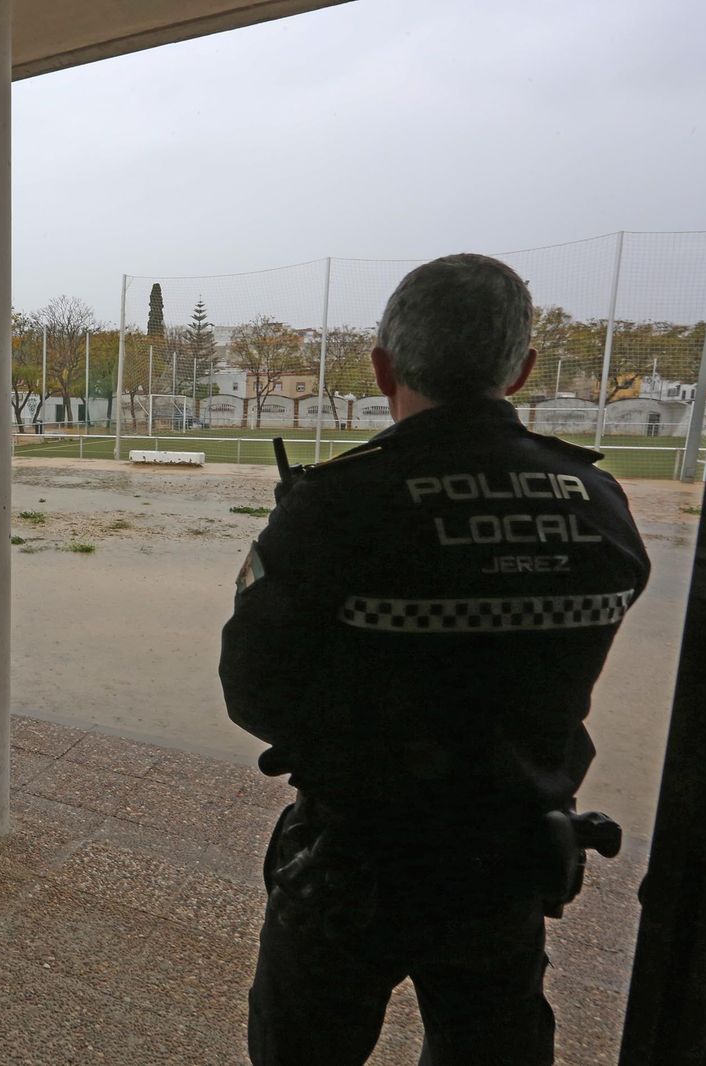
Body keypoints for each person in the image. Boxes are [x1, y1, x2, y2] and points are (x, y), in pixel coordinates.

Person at [219, 253, 651, 1065]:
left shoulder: (341, 503)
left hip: (354, 864)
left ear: (384, 367)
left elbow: (254, 691)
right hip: (508, 860)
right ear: (521, 370)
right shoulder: (596, 500)